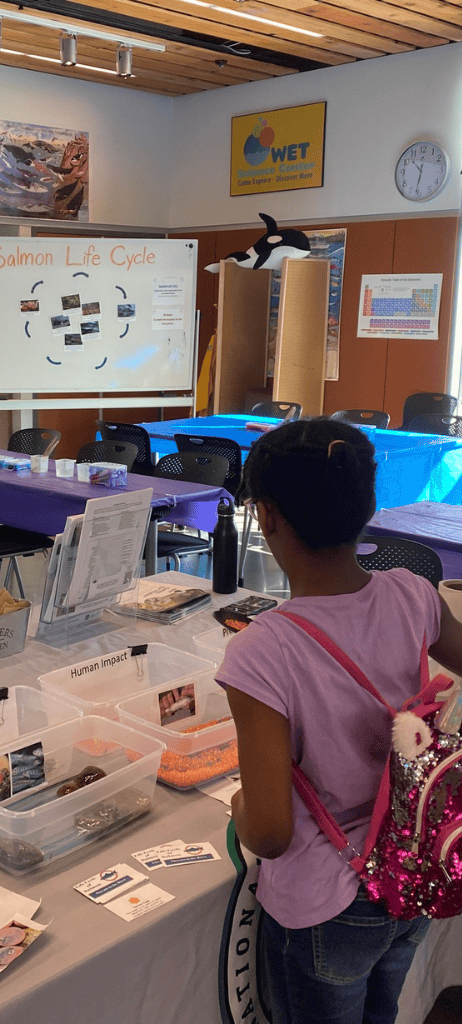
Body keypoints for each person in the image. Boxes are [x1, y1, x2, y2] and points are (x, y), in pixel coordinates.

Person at [215, 417, 462, 1024]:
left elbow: (270, 834)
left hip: (327, 901)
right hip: (410, 869)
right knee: (383, 1005)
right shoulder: (413, 592)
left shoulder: (261, 651)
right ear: (368, 505)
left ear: (267, 517)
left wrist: (239, 804)